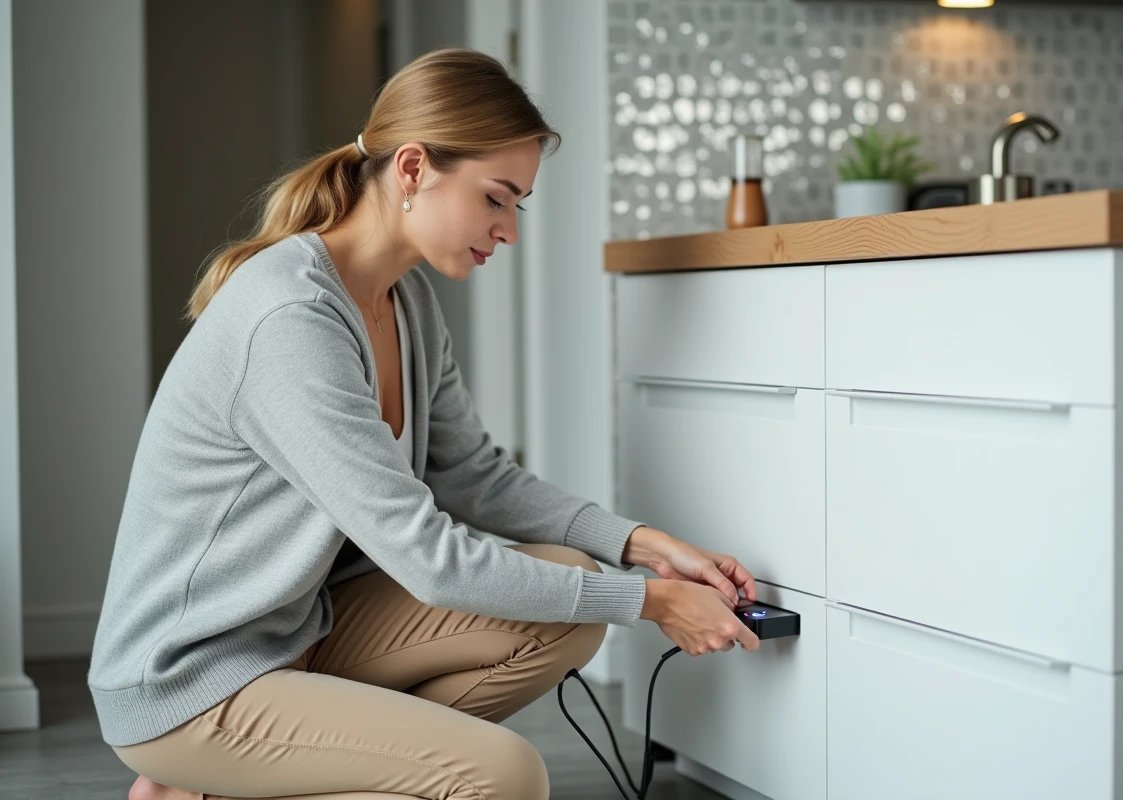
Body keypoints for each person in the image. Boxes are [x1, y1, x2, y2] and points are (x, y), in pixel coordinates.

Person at [87, 47, 760, 800]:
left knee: (572, 600)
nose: (508, 230)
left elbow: (474, 475)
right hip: (193, 679)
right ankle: (211, 769)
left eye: (517, 206)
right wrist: (650, 601)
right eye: (496, 198)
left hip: (298, 634)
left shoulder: (406, 304)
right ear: (412, 168)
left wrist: (639, 546)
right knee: (505, 776)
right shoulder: (290, 318)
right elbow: (430, 559)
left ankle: (226, 785)